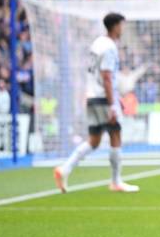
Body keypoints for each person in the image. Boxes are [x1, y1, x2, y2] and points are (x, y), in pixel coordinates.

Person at [54, 13, 139, 193]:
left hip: (91, 97)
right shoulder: (109, 47)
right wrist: (113, 104)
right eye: (121, 25)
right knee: (115, 135)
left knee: (94, 141)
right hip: (103, 98)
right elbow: (106, 77)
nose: (122, 29)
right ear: (115, 26)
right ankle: (116, 181)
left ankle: (64, 169)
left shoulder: (97, 44)